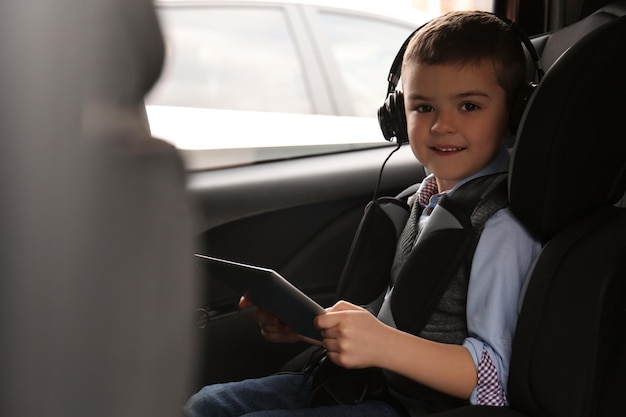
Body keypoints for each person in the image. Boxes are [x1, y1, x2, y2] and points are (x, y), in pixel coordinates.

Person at [184, 10, 542, 417]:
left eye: (469, 106)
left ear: (515, 114)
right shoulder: (419, 202)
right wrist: (311, 330)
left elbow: (492, 376)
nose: (443, 125)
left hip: (417, 407)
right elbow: (393, 321)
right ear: (397, 116)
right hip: (362, 384)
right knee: (206, 405)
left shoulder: (500, 228)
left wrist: (384, 345)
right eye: (423, 107)